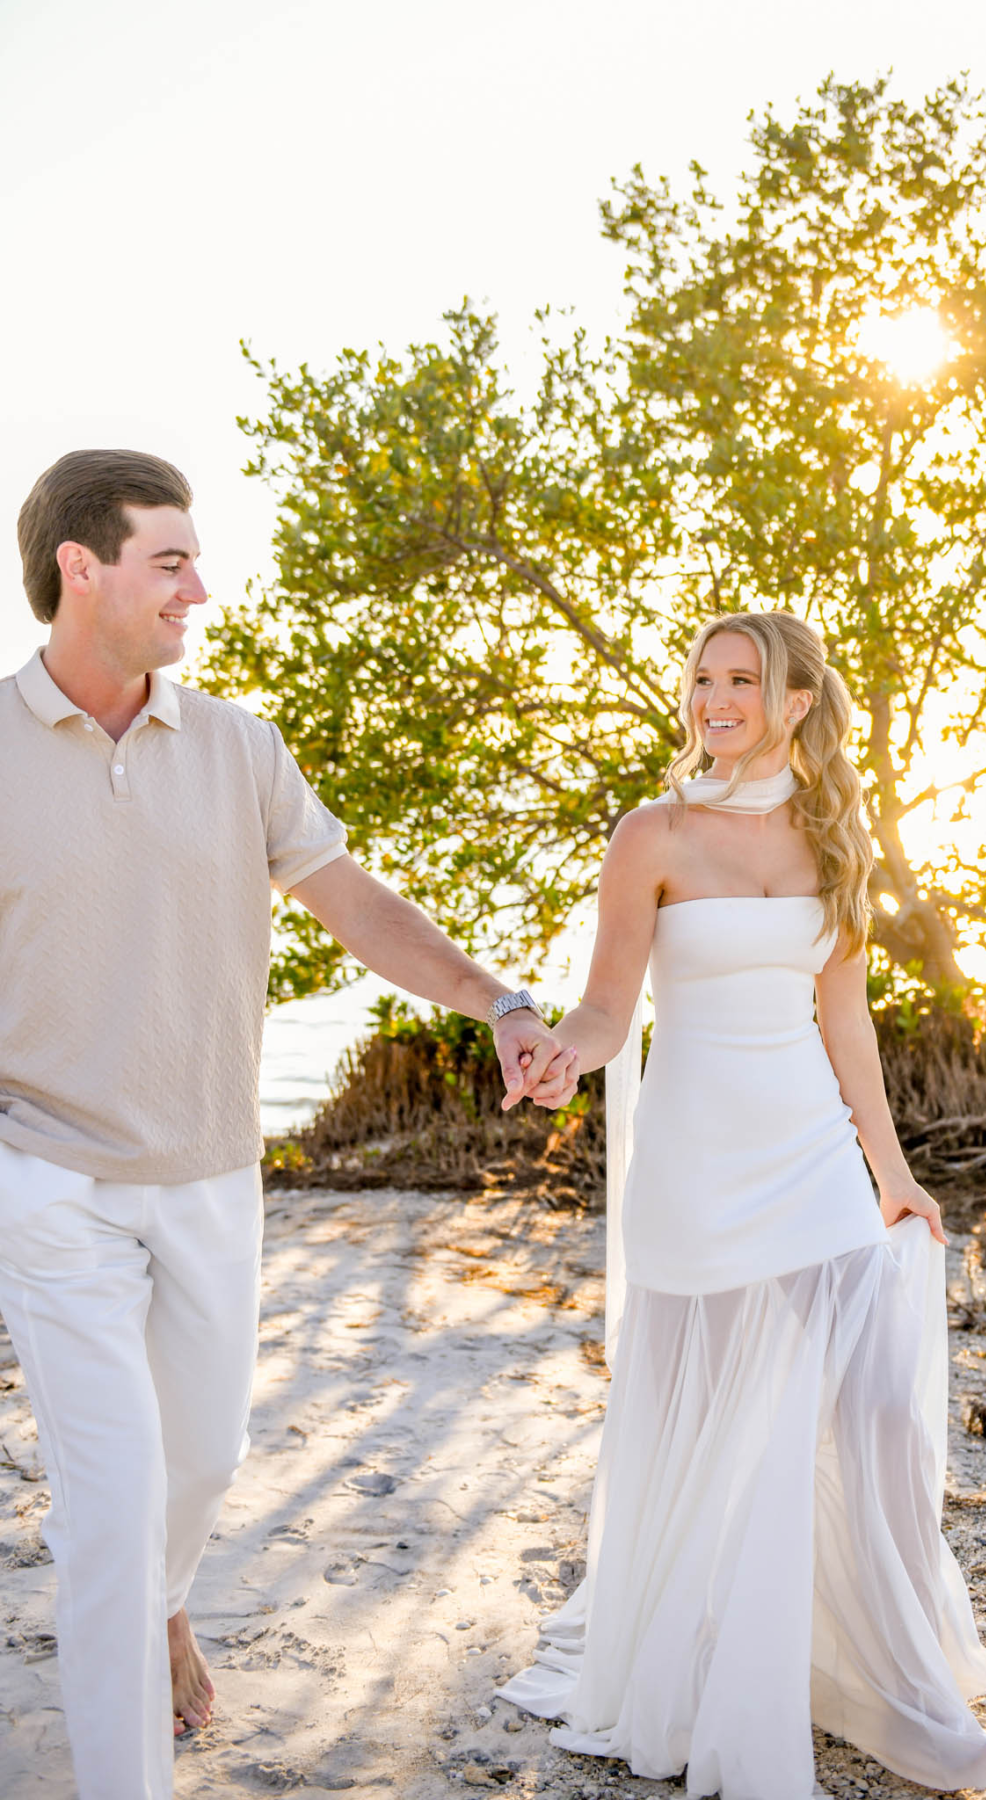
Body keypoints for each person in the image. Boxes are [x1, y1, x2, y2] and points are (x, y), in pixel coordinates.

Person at [0, 449, 564, 1800]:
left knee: (203, 1461)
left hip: (211, 1169)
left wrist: (498, 1000)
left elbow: (354, 902)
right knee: (113, 1500)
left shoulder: (239, 748)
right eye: (171, 561)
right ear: (81, 569)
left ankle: (166, 1600)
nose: (200, 589)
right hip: (48, 1174)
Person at [499, 611, 986, 1797]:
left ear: (795, 702)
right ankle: (728, 1664)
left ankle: (888, 1668)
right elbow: (607, 1009)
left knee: (878, 1409)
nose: (715, 697)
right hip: (697, 1164)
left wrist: (891, 1170)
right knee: (727, 1427)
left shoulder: (836, 837)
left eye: (743, 678)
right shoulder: (653, 833)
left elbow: (846, 1019)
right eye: (703, 677)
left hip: (813, 1156)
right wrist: (560, 1054)